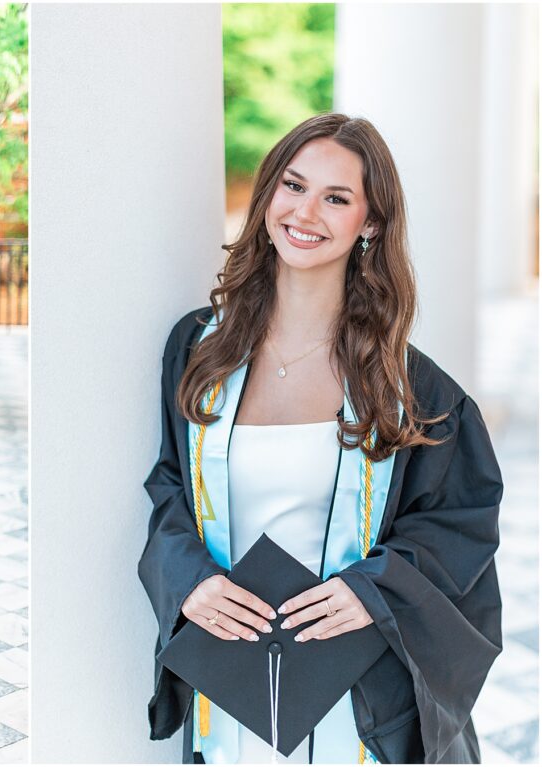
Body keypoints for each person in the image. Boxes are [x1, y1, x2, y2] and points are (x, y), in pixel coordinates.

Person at [138, 113, 503, 764]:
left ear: (371, 223)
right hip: (233, 681)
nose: (306, 211)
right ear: (268, 193)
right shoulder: (200, 350)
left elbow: (460, 524)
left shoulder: (411, 388)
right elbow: (170, 486)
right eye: (294, 185)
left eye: (336, 198)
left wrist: (375, 588)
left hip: (355, 696)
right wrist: (187, 578)